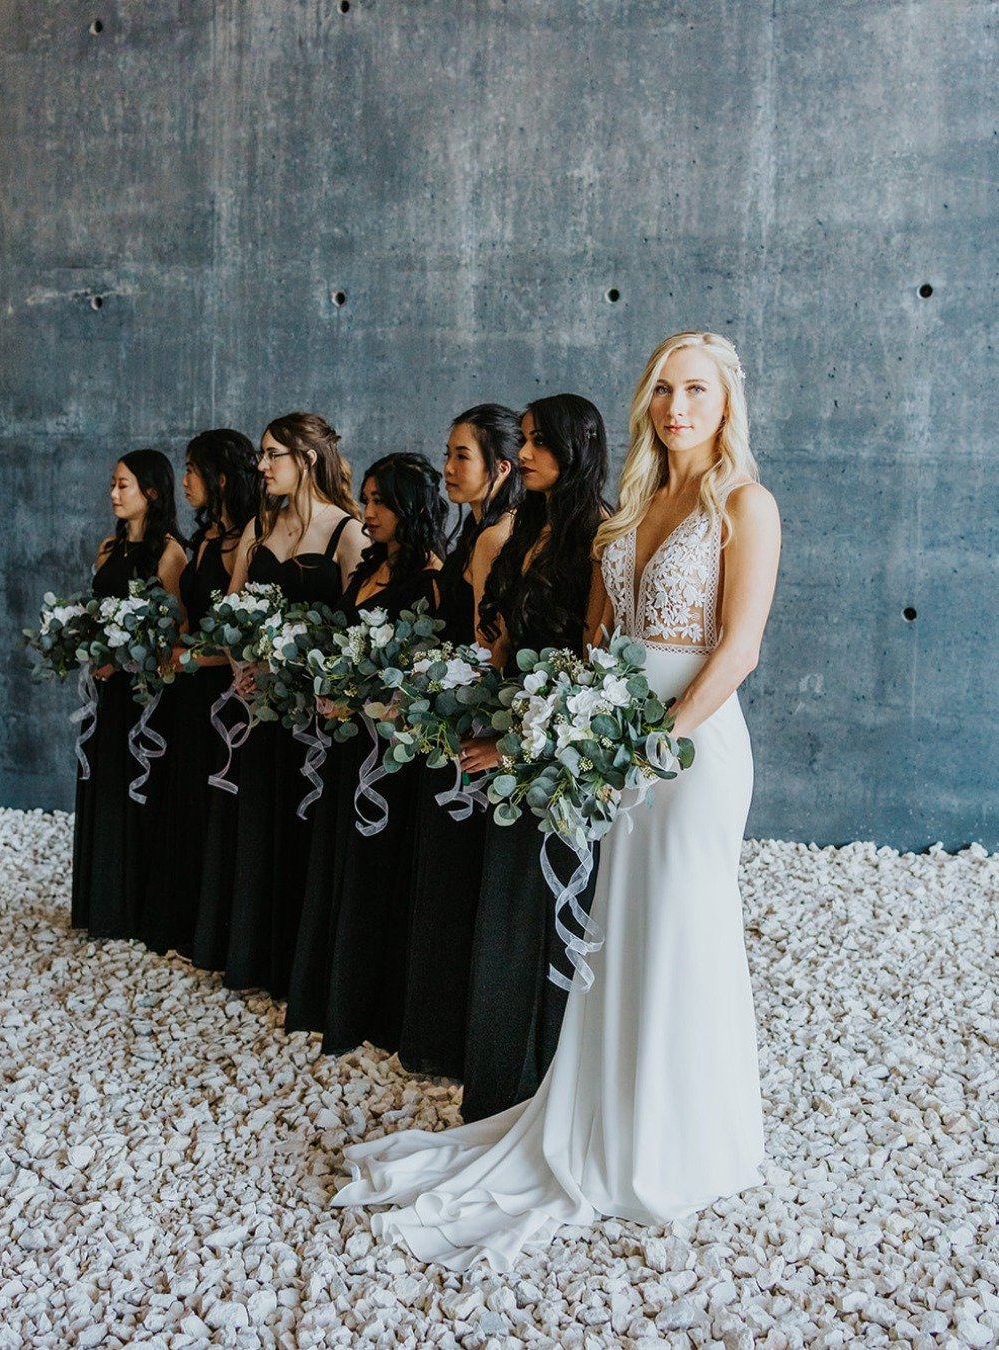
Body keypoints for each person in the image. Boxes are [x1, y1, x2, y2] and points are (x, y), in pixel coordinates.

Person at [332, 332, 781, 1273]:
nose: (677, 406)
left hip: (691, 752)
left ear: (728, 401)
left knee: (686, 922)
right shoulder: (632, 508)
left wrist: (652, 747)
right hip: (612, 740)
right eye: (662, 388)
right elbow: (591, 646)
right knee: (617, 927)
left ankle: (690, 1138)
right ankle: (606, 1117)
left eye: (696, 389)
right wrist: (546, 735)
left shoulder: (745, 504)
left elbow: (736, 652)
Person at [458, 394, 610, 1121]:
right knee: (506, 909)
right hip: (509, 733)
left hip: (560, 750)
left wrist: (520, 740)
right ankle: (499, 1081)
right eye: (520, 440)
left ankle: (551, 1085)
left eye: (539, 442)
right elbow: (500, 644)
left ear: (578, 448)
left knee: (554, 906)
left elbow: (597, 664)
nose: (524, 454)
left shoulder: (605, 537)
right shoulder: (524, 531)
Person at [193, 414, 363, 993]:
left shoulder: (348, 533)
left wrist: (300, 672)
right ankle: (253, 954)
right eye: (261, 457)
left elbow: (357, 631)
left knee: (306, 826)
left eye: (272, 455)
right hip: (259, 709)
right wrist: (243, 665)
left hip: (316, 714)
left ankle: (301, 966)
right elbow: (230, 609)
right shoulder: (259, 526)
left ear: (307, 460)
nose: (260, 467)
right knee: (259, 819)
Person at [286, 453, 447, 1054]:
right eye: (367, 499)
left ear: (410, 508)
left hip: (392, 756)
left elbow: (426, 677)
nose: (368, 512)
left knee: (380, 866)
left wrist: (368, 703)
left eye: (380, 502)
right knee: (339, 855)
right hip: (346, 742)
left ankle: (371, 1006)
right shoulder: (366, 568)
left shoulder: (430, 578)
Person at [400, 405, 524, 1079]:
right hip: (449, 716)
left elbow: (487, 652)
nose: (447, 468)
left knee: (460, 880)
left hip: (471, 727)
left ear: (501, 468)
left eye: (461, 457)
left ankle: (455, 1039)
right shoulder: (471, 528)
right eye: (446, 454)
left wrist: (436, 704)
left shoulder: (495, 537)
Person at [139, 429, 260, 958]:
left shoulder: (254, 537)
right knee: (186, 797)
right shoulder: (208, 539)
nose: (184, 479)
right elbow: (190, 617)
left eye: (192, 469)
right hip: (189, 689)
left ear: (222, 478)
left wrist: (191, 656)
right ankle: (185, 916)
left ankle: (220, 929)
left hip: (226, 690)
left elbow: (240, 634)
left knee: (220, 802)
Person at [72, 450, 187, 939]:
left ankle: (136, 909)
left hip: (145, 696)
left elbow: (179, 631)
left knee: (138, 787)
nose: (114, 494)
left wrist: (125, 658)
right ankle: (101, 905)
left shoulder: (170, 553)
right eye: (113, 485)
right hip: (104, 693)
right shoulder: (107, 548)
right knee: (103, 780)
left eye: (123, 486)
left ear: (152, 493)